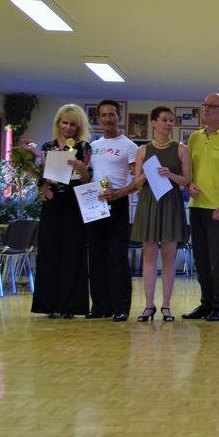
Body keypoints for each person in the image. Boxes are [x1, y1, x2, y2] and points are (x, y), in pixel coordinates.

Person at [182, 93, 219, 322]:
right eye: (204, 105)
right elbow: (189, 173)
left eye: (212, 106)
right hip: (196, 207)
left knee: (218, 258)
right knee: (200, 258)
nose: (206, 109)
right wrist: (188, 184)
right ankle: (205, 303)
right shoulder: (194, 138)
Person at [30, 104, 93, 318]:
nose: (68, 127)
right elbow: (42, 177)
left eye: (72, 124)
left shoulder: (83, 147)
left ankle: (71, 306)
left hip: (74, 203)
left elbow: (86, 180)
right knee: (49, 252)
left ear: (78, 127)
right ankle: (49, 304)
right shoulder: (47, 147)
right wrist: (43, 186)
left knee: (73, 252)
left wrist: (82, 169)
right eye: (65, 123)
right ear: (58, 123)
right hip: (52, 203)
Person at [130, 106, 191, 322]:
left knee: (168, 256)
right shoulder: (142, 150)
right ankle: (149, 305)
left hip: (171, 202)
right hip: (149, 202)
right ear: (154, 123)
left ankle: (166, 305)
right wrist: (146, 176)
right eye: (164, 120)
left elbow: (187, 180)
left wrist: (170, 174)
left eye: (171, 120)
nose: (168, 124)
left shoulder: (181, 149)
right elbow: (137, 184)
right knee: (149, 255)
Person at [86, 99, 138, 322]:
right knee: (96, 256)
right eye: (104, 115)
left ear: (119, 117)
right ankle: (100, 306)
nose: (108, 119)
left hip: (117, 203)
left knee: (117, 257)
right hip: (95, 204)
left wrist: (119, 193)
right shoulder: (93, 147)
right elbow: (86, 176)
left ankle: (120, 307)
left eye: (112, 115)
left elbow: (138, 179)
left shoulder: (129, 146)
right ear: (98, 119)